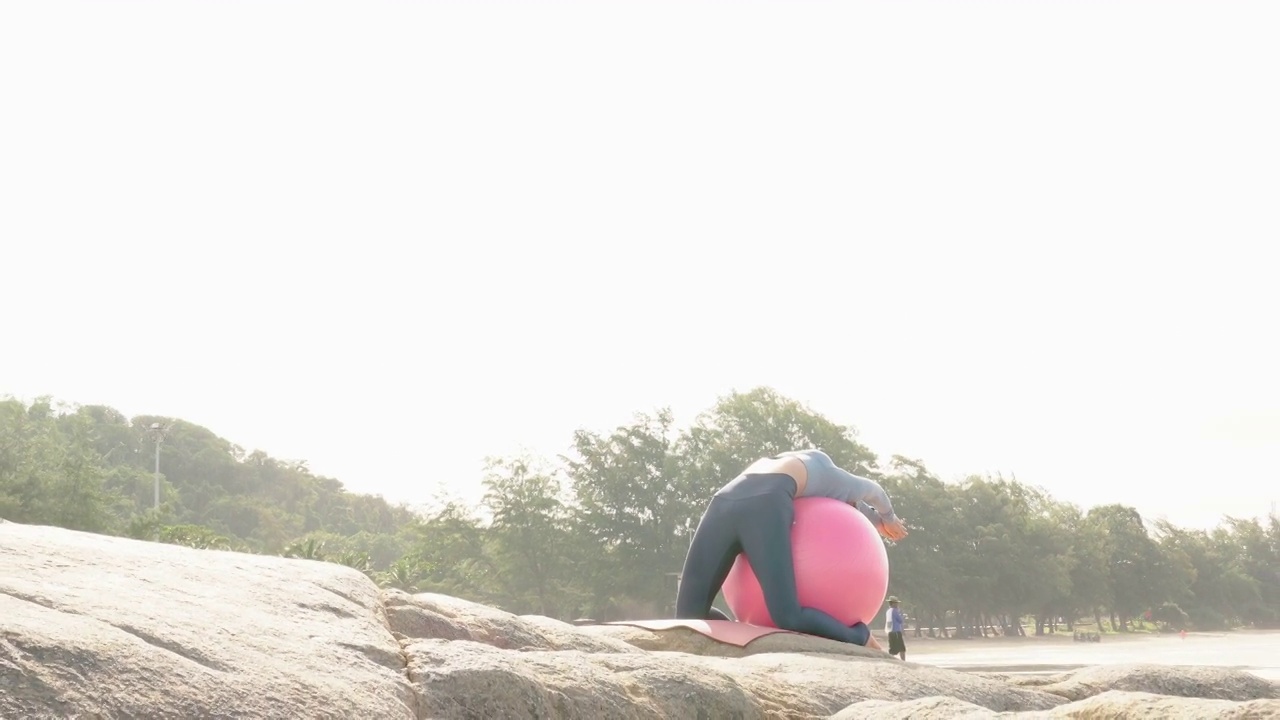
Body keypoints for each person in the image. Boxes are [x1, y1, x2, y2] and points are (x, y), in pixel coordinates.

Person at [674, 449, 909, 650]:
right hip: (753, 503)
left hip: (729, 502)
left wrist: (878, 523)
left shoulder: (791, 465)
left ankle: (858, 638)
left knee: (782, 615)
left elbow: (857, 505)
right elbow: (873, 491)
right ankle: (859, 637)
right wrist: (889, 517)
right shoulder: (829, 472)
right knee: (690, 616)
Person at [885, 596, 907, 660]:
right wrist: (902, 615)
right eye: (896, 603)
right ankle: (903, 661)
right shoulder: (895, 611)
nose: (897, 604)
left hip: (890, 632)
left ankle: (890, 660)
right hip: (896, 631)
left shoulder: (888, 611)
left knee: (892, 648)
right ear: (893, 603)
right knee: (902, 648)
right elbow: (900, 620)